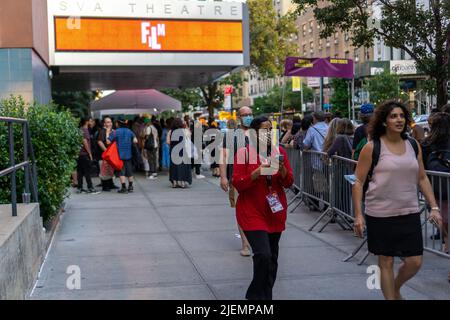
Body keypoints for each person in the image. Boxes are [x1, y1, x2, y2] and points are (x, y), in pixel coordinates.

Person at [352, 100, 442, 300]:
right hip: (380, 214)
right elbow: (358, 182)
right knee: (386, 261)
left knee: (415, 261)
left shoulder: (412, 144)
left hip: (409, 212)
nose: (399, 119)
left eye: (401, 116)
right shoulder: (372, 147)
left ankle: (395, 288)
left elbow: (422, 177)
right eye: (393, 116)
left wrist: (434, 207)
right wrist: (358, 215)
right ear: (384, 121)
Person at [232, 116, 294, 300]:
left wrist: (281, 169)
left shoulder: (278, 151)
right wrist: (256, 173)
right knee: (263, 254)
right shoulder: (243, 153)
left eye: (270, 129)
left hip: (274, 211)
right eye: (264, 129)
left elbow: (289, 182)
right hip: (252, 211)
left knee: (272, 258)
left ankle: (266, 297)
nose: (268, 133)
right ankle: (254, 297)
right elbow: (238, 183)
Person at [220, 106, 253, 257]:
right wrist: (223, 176)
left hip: (256, 179)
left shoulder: (259, 132)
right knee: (241, 210)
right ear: (239, 117)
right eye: (244, 115)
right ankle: (245, 244)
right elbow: (223, 156)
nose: (248, 117)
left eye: (250, 114)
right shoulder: (231, 135)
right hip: (236, 179)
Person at [421, 112, 449, 255]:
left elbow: (422, 168)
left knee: (438, 217)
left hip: (435, 189)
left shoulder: (426, 144)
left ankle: (446, 239)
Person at [108, 119, 138, 194]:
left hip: (119, 155)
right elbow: (135, 141)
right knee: (129, 171)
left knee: (121, 172)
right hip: (129, 155)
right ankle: (130, 187)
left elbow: (108, 142)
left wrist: (108, 133)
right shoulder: (129, 131)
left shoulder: (116, 132)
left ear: (118, 124)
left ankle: (124, 188)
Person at [77, 117, 99, 194]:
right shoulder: (85, 130)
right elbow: (85, 142)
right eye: (91, 121)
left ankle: (80, 188)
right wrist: (89, 153)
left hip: (80, 154)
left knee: (80, 171)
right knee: (87, 172)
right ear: (86, 122)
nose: (92, 122)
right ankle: (90, 188)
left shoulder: (81, 129)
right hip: (84, 154)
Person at [168, 118, 192, 188]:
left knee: (174, 166)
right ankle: (182, 182)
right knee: (183, 166)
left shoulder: (170, 131)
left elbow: (168, 142)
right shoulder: (184, 131)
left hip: (174, 151)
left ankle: (175, 182)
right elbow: (189, 137)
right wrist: (186, 126)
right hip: (183, 150)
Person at [97, 117, 118, 191]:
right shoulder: (102, 131)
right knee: (104, 171)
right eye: (108, 122)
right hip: (104, 155)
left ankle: (111, 184)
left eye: (110, 122)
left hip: (111, 154)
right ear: (104, 123)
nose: (110, 123)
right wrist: (106, 151)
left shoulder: (112, 131)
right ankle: (105, 186)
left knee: (110, 170)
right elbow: (99, 142)